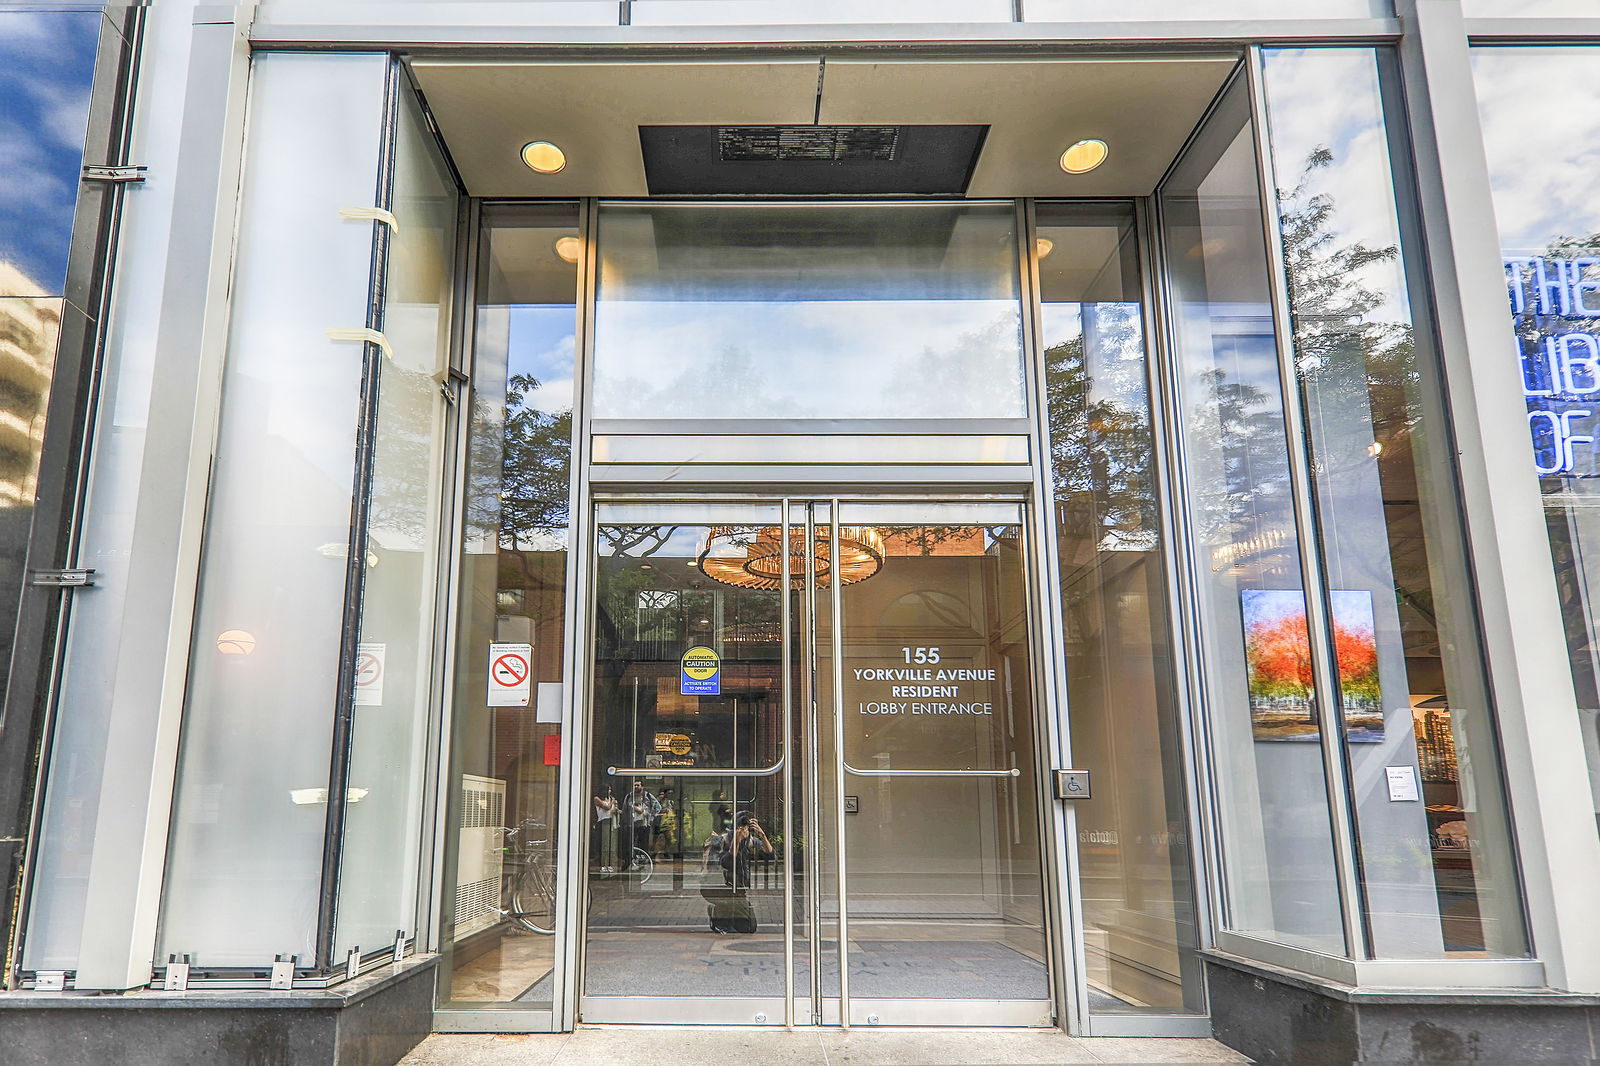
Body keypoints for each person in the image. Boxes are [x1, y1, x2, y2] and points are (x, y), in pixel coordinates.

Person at [720, 810, 773, 891]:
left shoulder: (751, 841)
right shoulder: (725, 839)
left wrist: (762, 835)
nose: (744, 827)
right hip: (726, 885)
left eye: (746, 824)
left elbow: (770, 856)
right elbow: (726, 863)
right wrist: (737, 839)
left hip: (744, 885)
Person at [619, 780, 660, 871]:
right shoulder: (629, 796)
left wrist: (651, 817)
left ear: (642, 786)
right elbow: (625, 809)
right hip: (631, 824)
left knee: (643, 843)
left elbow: (657, 807)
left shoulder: (648, 796)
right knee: (630, 843)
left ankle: (642, 862)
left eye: (638, 785)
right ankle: (629, 861)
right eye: (634, 785)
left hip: (644, 824)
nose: (636, 787)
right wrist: (625, 822)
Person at [591, 785, 618, 873]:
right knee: (604, 844)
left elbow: (612, 810)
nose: (610, 791)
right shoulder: (597, 799)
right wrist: (612, 802)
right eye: (608, 789)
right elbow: (607, 808)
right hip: (603, 821)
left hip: (611, 821)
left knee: (610, 844)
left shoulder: (609, 799)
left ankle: (609, 864)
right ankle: (602, 864)